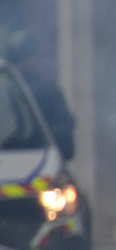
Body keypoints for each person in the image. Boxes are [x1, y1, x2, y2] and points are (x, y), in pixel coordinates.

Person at [3, 30, 75, 160]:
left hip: (40, 155)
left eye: (30, 56)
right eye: (24, 58)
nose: (29, 61)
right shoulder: (8, 89)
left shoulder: (47, 90)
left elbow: (66, 125)